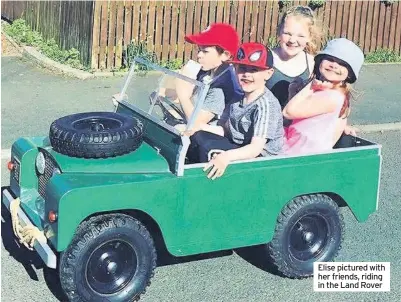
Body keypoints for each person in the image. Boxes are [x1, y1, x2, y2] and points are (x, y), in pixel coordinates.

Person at [187, 42, 284, 179]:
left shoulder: (265, 105)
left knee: (209, 149)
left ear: (268, 74)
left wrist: (226, 157)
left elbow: (255, 148)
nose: (246, 75)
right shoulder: (237, 98)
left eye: (254, 70)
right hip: (238, 146)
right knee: (198, 137)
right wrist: (194, 127)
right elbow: (226, 130)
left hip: (261, 162)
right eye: (242, 69)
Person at [282, 38, 365, 155]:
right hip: (294, 146)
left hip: (302, 155)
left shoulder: (333, 97)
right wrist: (293, 93)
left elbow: (288, 112)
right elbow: (295, 118)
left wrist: (311, 86)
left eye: (342, 64)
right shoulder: (323, 91)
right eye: (330, 59)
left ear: (349, 74)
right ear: (320, 61)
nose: (334, 65)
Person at [174, 22, 244, 129]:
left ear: (225, 55)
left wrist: (182, 95)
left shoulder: (220, 88)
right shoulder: (207, 73)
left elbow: (195, 123)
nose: (199, 55)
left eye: (205, 51)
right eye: (199, 50)